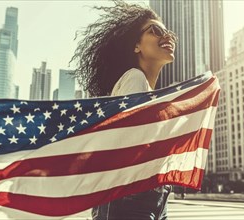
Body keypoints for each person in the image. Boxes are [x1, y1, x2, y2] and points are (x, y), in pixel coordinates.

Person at [70, 0, 177, 219]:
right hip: (129, 199)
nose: (166, 37)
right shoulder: (134, 78)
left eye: (169, 33)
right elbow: (124, 146)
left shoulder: (148, 90)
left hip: (151, 197)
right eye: (156, 30)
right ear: (136, 46)